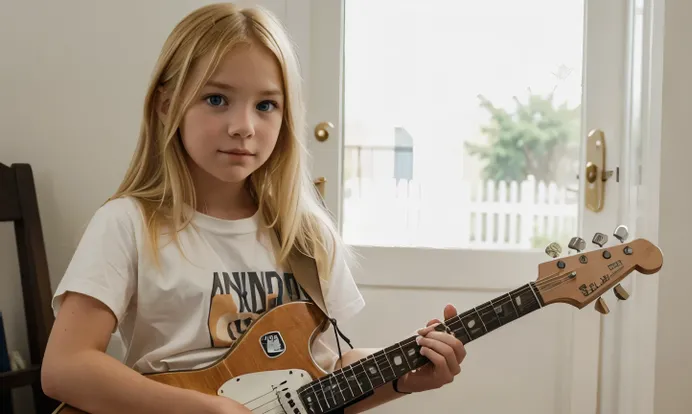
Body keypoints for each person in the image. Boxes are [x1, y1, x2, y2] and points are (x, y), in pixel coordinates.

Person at [41, 3, 466, 413]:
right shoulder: (128, 224)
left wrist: (400, 377)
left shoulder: (307, 236)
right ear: (167, 104)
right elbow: (65, 368)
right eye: (216, 99)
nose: (243, 126)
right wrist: (205, 410)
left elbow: (325, 379)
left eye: (266, 105)